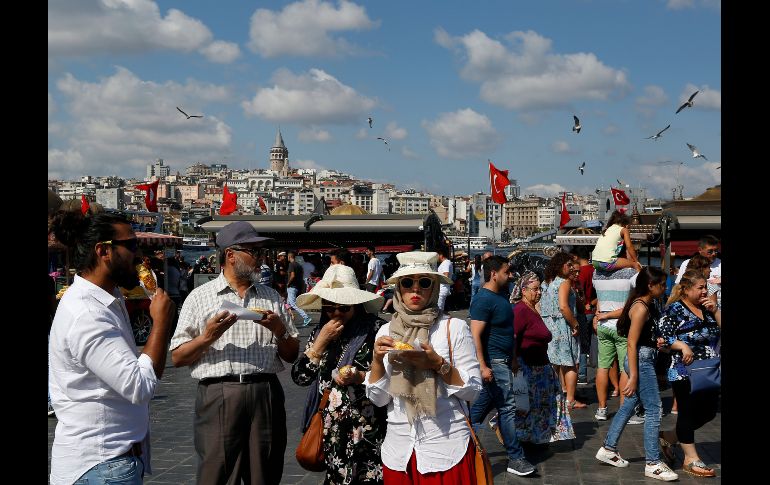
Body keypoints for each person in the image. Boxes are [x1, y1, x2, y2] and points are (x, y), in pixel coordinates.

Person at [168, 221, 300, 485]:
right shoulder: (200, 297)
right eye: (254, 252)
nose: (261, 259)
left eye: (262, 252)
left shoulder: (271, 297)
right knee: (216, 472)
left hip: (265, 391)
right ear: (230, 255)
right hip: (218, 392)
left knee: (264, 472)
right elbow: (178, 357)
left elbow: (291, 354)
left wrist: (279, 330)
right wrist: (208, 337)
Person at [49, 211, 175, 485]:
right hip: (101, 463)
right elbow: (140, 386)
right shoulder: (88, 314)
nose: (139, 255)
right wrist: (161, 323)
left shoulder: (109, 298)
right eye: (131, 245)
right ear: (103, 251)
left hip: (107, 462)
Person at [365, 251, 482, 482]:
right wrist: (377, 361)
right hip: (399, 451)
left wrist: (438, 364)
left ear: (434, 288)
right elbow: (378, 399)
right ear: (399, 288)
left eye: (425, 282)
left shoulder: (454, 328)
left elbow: (473, 391)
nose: (415, 289)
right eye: (407, 283)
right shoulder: (386, 332)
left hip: (445, 448)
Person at [291, 265, 387, 484]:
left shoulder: (375, 330)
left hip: (368, 425)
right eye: (329, 307)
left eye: (343, 308)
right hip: (332, 428)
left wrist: (360, 376)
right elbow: (301, 377)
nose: (335, 313)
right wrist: (320, 344)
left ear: (356, 305)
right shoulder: (319, 332)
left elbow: (389, 377)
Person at [595, 267, 678, 481]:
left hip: (643, 358)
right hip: (640, 362)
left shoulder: (645, 304)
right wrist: (633, 376)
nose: (664, 288)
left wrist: (656, 341)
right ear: (650, 286)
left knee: (629, 406)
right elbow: (631, 343)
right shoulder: (641, 307)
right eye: (662, 285)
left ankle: (608, 448)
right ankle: (653, 463)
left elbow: (641, 337)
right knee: (654, 409)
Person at [468, 255, 536, 476]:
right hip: (494, 362)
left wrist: (513, 357)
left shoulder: (501, 296)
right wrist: (482, 365)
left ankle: (463, 443)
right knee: (507, 409)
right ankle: (515, 458)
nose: (510, 275)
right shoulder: (483, 299)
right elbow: (475, 335)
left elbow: (508, 330)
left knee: (479, 410)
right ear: (493, 274)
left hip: (504, 361)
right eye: (506, 272)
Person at [657, 270, 721, 478]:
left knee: (709, 412)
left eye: (706, 287)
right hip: (683, 370)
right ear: (686, 289)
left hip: (709, 368)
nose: (705, 291)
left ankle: (670, 436)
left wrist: (716, 310)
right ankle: (690, 459)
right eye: (700, 288)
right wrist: (682, 345)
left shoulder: (707, 308)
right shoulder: (674, 309)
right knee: (686, 411)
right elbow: (663, 338)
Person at [510, 271, 575, 445]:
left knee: (541, 406)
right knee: (530, 405)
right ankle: (525, 437)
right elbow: (513, 336)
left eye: (540, 289)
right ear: (524, 290)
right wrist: (514, 360)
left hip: (540, 366)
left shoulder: (533, 308)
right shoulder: (521, 310)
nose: (539, 292)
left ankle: (538, 436)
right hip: (529, 366)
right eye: (535, 289)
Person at [592, 265, 640, 421]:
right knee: (625, 368)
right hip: (622, 325)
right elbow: (630, 305)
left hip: (603, 325)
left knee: (603, 366)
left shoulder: (597, 273)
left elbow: (599, 299)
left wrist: (600, 316)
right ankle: (624, 410)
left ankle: (601, 409)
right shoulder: (630, 273)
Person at [540, 252, 585, 410]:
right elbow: (564, 307)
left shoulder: (547, 283)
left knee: (554, 362)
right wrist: (575, 324)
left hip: (549, 325)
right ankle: (570, 399)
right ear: (560, 266)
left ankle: (553, 395)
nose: (572, 268)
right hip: (563, 325)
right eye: (569, 265)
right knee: (571, 363)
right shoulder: (564, 283)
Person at [571, 245, 597, 385]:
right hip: (593, 310)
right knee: (590, 343)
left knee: (580, 343)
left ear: (576, 257)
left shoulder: (581, 272)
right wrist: (592, 304)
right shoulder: (594, 270)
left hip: (583, 311)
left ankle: (581, 374)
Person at [287, 250, 313, 327]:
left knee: (292, 303)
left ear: (289, 257)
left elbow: (292, 275)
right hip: (297, 286)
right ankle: (287, 319)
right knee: (287, 304)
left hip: (292, 286)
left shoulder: (291, 265)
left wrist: (288, 283)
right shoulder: (299, 265)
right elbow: (301, 276)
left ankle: (306, 317)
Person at [436, 248, 454, 312]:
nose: (436, 257)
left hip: (442, 289)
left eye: (437, 255)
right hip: (442, 288)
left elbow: (446, 275)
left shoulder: (446, 263)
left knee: (439, 308)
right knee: (440, 308)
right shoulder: (445, 263)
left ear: (441, 255)